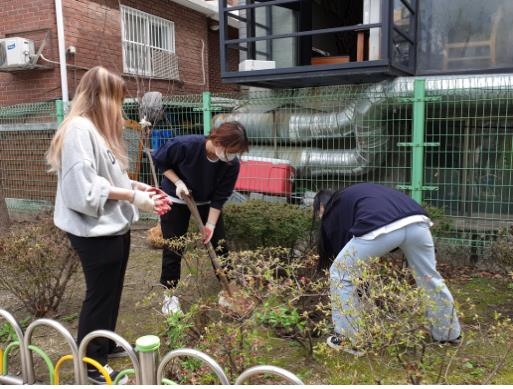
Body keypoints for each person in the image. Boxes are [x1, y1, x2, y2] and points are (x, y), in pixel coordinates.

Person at [46, 66, 171, 384]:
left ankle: (103, 340)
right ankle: (91, 362)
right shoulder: (77, 130)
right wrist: (133, 196)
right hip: (93, 230)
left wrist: (143, 190)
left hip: (112, 225)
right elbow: (84, 189)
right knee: (100, 294)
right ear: (100, 97)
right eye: (117, 98)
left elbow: (111, 178)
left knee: (112, 291)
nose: (121, 106)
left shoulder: (96, 130)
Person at [313, 183, 461, 356]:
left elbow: (343, 249)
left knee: (340, 272)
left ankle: (349, 339)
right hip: (417, 221)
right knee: (429, 278)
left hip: (382, 227)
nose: (321, 217)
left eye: (319, 212)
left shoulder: (334, 206)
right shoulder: (358, 193)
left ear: (322, 206)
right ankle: (449, 334)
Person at [152, 121, 249, 314]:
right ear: (219, 141)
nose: (232, 156)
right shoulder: (185, 145)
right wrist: (178, 182)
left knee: (219, 246)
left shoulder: (230, 164)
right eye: (231, 150)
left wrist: (211, 225)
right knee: (174, 246)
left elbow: (220, 196)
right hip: (176, 197)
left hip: (206, 203)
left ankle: (228, 292)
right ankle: (169, 297)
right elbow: (160, 161)